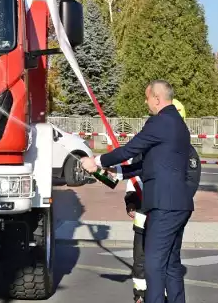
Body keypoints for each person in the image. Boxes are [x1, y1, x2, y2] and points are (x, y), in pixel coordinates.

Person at [80, 80, 194, 303]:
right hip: (180, 204)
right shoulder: (178, 124)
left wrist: (97, 161)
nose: (145, 102)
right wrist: (117, 172)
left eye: (147, 97)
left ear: (157, 99)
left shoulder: (159, 122)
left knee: (153, 265)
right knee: (171, 265)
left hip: (164, 205)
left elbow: (131, 149)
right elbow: (150, 164)